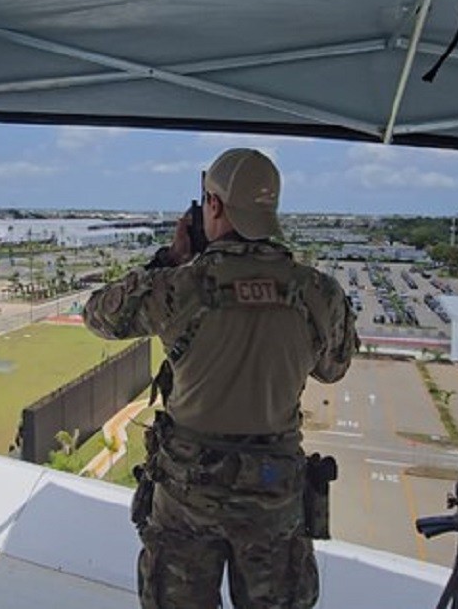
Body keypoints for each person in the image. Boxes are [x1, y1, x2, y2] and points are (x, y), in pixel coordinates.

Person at [84, 148, 358, 608]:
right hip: (274, 492)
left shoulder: (179, 287)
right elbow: (334, 368)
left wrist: (170, 260)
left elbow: (98, 316)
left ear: (213, 206)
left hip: (188, 495)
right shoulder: (318, 292)